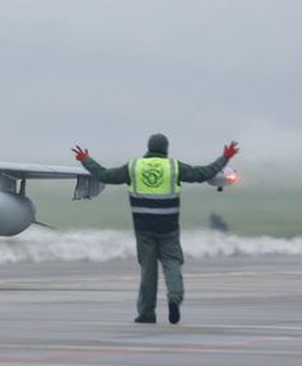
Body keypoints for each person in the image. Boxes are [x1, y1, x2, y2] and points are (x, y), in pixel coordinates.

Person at [72, 134, 239, 324]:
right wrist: (225, 157)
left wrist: (85, 159)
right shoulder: (173, 166)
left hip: (144, 228)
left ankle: (147, 313)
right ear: (165, 148)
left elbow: (105, 176)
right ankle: (174, 297)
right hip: (168, 227)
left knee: (148, 271)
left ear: (149, 147)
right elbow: (203, 173)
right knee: (172, 263)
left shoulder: (134, 167)